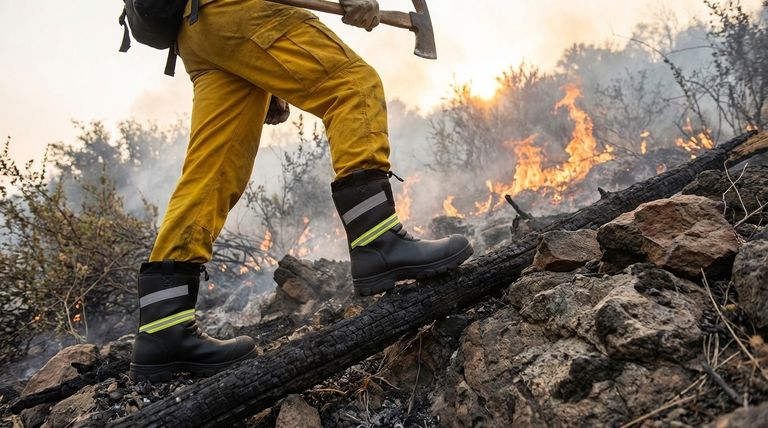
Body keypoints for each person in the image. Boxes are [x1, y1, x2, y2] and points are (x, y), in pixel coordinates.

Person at [129, 0, 473, 382]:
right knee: (353, 85)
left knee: (212, 174)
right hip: (240, 10)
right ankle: (379, 243)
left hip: (198, 33)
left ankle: (163, 330)